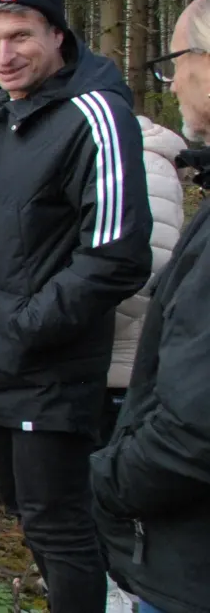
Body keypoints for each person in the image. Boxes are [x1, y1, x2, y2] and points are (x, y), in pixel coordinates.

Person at [0, 0, 150, 613]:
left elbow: (117, 255)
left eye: (20, 36)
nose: (3, 55)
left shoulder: (95, 115)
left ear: (58, 34)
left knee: (60, 525)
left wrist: (27, 326)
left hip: (50, 368)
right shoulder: (1, 120)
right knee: (29, 516)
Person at [93, 0, 210, 613]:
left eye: (177, 64)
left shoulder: (140, 162)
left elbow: (195, 425)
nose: (172, 83)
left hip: (188, 564)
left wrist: (109, 482)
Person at [103, 114, 184, 442]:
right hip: (94, 355)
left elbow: (147, 265)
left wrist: (69, 326)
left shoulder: (146, 163)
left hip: (119, 358)